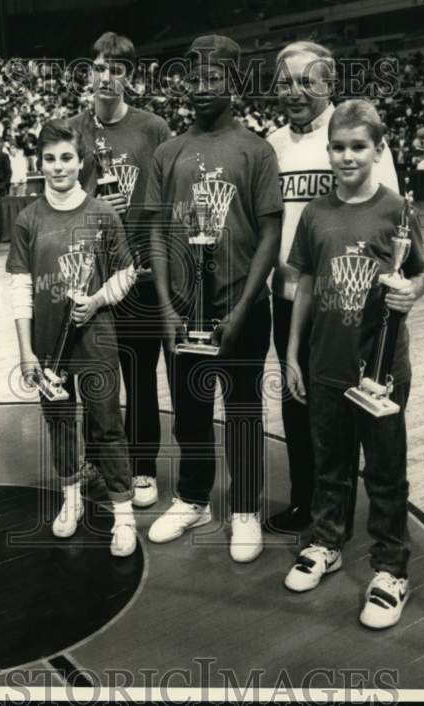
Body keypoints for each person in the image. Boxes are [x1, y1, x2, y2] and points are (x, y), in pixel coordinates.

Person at [282, 100, 424, 630]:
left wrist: (410, 292)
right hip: (326, 364)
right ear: (329, 151)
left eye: (358, 147)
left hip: (383, 368)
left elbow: (420, 274)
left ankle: (391, 568)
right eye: (339, 147)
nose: (347, 156)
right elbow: (301, 287)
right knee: (330, 465)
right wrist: (293, 353)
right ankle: (327, 542)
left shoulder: (396, 210)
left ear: (378, 149)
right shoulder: (316, 213)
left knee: (386, 471)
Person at [145, 34, 282, 563]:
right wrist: (164, 307)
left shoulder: (257, 149)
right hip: (183, 311)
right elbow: (154, 232)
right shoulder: (168, 151)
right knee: (189, 411)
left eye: (214, 78)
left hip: (241, 307)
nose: (202, 89)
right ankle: (193, 498)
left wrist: (244, 308)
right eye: (194, 78)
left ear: (235, 83)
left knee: (244, 409)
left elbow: (269, 233)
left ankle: (244, 507)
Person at [265, 40, 399, 534]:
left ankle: (359, 508)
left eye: (307, 81)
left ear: (330, 84)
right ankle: (308, 502)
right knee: (298, 401)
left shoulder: (351, 136)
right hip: (291, 299)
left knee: (354, 405)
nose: (295, 91)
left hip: (351, 299)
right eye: (285, 82)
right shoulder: (272, 144)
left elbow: (392, 222)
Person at [6, 120, 138, 557]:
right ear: (38, 164)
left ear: (80, 162)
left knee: (106, 424)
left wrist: (98, 299)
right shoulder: (28, 219)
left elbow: (127, 272)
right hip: (47, 345)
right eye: (49, 159)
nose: (58, 166)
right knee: (60, 424)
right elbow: (19, 287)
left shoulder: (103, 213)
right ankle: (71, 498)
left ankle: (123, 513)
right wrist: (26, 351)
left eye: (66, 157)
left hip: (96, 338)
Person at [66, 32, 172, 510]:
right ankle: (99, 459)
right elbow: (59, 200)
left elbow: (167, 201)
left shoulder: (154, 129)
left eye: (118, 69)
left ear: (131, 76)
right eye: (100, 67)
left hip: (142, 270)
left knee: (141, 373)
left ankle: (144, 464)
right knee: (95, 374)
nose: (107, 77)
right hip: (90, 275)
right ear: (88, 72)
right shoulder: (71, 129)